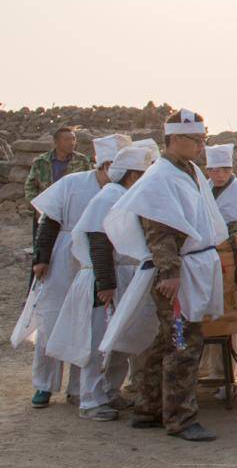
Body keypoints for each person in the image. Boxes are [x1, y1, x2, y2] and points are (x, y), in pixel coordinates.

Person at [100, 108, 227, 442]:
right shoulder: (160, 177)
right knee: (183, 344)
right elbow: (159, 230)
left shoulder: (188, 170)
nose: (201, 145)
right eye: (195, 139)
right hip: (177, 273)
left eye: (203, 138)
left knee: (166, 341)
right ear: (174, 139)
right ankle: (180, 418)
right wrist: (170, 273)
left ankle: (148, 408)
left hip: (193, 266)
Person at [45, 141, 149, 420]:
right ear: (133, 175)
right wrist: (105, 283)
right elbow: (98, 240)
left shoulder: (124, 196)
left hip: (123, 276)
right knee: (96, 342)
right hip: (102, 278)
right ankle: (90, 400)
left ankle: (110, 391)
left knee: (120, 340)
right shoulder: (108, 197)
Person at [15, 132, 109, 409]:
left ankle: (78, 388)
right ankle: (44, 384)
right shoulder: (72, 183)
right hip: (63, 255)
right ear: (104, 164)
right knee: (51, 318)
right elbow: (49, 221)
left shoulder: (117, 190)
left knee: (87, 322)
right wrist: (41, 258)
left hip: (96, 259)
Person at [25, 126, 91, 236]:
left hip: (71, 213)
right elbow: (30, 185)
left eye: (73, 139)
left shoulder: (82, 161)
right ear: (56, 142)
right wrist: (36, 207)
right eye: (67, 139)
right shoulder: (41, 161)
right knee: (43, 244)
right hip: (46, 211)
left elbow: (89, 185)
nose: (72, 143)